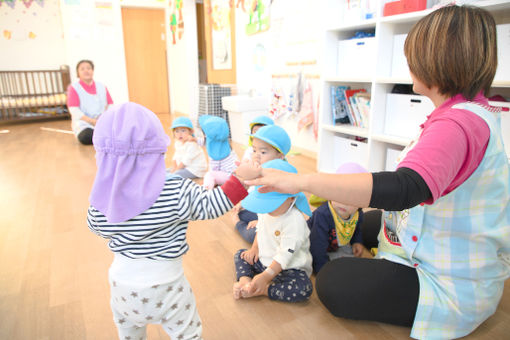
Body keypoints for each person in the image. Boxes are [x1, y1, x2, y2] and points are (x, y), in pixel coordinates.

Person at [246, 5, 510, 339]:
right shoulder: (471, 112)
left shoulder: (456, 123)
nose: (409, 65)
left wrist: (299, 180)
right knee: (358, 219)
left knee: (333, 280)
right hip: (455, 244)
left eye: (413, 57)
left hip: (450, 284)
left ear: (436, 60)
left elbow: (403, 189)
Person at [86, 102, 258, 340]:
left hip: (123, 288)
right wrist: (239, 179)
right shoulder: (174, 187)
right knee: (188, 335)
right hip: (167, 287)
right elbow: (210, 205)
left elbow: (96, 226)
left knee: (129, 334)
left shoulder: (105, 197)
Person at [233, 159, 313, 303]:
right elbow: (260, 228)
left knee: (303, 288)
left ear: (292, 198)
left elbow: (285, 255)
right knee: (241, 254)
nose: (266, 208)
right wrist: (254, 248)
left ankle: (264, 290)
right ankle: (245, 282)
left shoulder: (294, 221)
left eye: (271, 203)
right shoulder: (266, 210)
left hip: (289, 269)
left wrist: (265, 277)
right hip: (264, 260)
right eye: (263, 203)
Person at [307, 162, 373, 274]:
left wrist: (357, 242)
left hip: (334, 246)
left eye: (351, 199)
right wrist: (322, 270)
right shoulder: (323, 214)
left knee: (353, 262)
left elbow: (356, 230)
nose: (343, 202)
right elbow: (317, 245)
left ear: (361, 203)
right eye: (339, 194)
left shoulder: (358, 214)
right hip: (311, 245)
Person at [233, 124, 291, 243]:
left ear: (279, 156)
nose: (256, 155)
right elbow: (256, 194)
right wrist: (243, 203)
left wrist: (261, 223)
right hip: (264, 213)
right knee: (242, 213)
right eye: (254, 150)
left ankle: (237, 224)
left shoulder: (281, 176)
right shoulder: (261, 169)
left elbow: (283, 212)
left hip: (280, 221)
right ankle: (242, 220)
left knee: (254, 235)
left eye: (263, 152)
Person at [67, 60, 114, 145]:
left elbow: (110, 104)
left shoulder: (101, 86)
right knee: (86, 136)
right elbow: (74, 110)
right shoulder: (74, 88)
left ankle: (106, 136)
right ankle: (107, 137)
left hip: (101, 121)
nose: (86, 71)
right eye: (82, 69)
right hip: (84, 123)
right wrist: (92, 121)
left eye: (89, 68)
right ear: (78, 73)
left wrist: (103, 118)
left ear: (92, 71)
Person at [199, 115, 240, 190]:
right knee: (210, 176)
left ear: (205, 134)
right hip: (235, 173)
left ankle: (205, 191)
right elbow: (204, 142)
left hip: (230, 176)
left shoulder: (215, 152)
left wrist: (208, 181)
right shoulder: (221, 141)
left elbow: (214, 168)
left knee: (209, 175)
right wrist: (193, 139)